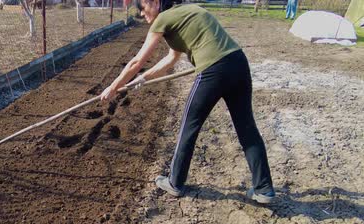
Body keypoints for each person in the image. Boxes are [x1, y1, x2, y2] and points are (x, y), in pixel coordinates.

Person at [100, 0, 275, 204]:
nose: (142, 16)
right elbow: (171, 58)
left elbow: (136, 61)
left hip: (213, 70)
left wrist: (113, 87)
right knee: (246, 127)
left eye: (143, 9)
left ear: (155, 2)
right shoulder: (186, 11)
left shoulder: (163, 18)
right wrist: (143, 78)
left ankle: (175, 182)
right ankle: (264, 189)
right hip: (238, 63)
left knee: (188, 126)